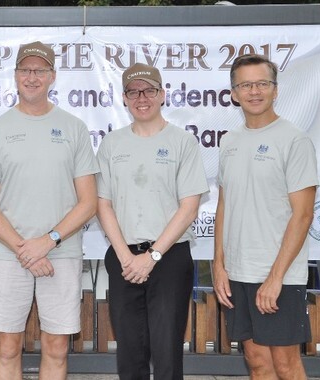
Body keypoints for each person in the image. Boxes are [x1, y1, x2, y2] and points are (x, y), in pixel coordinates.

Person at [0, 41, 98, 380]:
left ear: (52, 76)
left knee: (57, 346)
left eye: (40, 70)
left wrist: (49, 241)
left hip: (61, 252)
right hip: (7, 254)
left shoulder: (74, 128)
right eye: (26, 70)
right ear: (15, 76)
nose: (32, 77)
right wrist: (25, 249)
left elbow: (88, 202)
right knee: (8, 346)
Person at [96, 63, 209, 380]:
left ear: (162, 95)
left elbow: (189, 207)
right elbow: (102, 203)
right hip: (124, 258)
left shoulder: (182, 142)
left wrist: (153, 256)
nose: (141, 97)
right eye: (133, 91)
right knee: (129, 351)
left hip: (169, 257)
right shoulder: (111, 144)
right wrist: (126, 257)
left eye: (149, 90)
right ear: (124, 97)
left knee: (166, 350)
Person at [213, 54, 318, 380]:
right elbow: (224, 205)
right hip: (237, 273)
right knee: (256, 360)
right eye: (245, 84)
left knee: (286, 364)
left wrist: (275, 277)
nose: (254, 91)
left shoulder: (294, 140)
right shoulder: (229, 142)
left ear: (275, 90)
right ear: (233, 92)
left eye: (262, 83)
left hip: (279, 275)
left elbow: (302, 216)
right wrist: (218, 265)